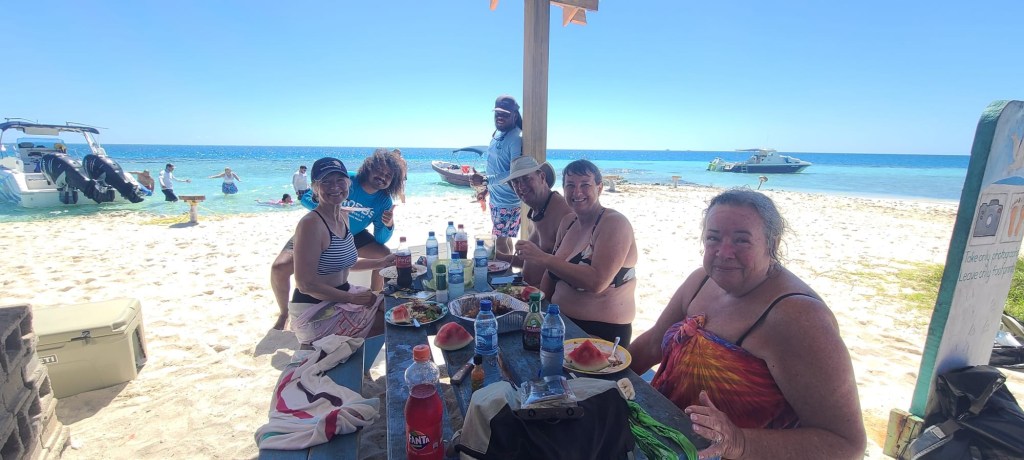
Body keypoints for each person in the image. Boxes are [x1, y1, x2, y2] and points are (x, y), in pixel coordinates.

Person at [627, 189, 866, 460]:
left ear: (771, 243)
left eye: (741, 240)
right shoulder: (700, 281)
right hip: (659, 439)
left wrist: (738, 442)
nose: (723, 252)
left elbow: (847, 445)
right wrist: (604, 375)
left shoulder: (798, 317)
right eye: (713, 238)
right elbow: (652, 344)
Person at [270, 149, 406, 329]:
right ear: (368, 168)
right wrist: (328, 209)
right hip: (322, 230)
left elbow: (379, 240)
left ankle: (374, 294)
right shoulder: (313, 221)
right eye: (379, 171)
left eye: (388, 175)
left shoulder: (377, 203)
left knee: (384, 258)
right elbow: (305, 285)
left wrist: (388, 225)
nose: (382, 177)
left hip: (348, 232)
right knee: (280, 267)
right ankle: (284, 314)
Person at [515, 159, 637, 346]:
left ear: (599, 188)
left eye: (585, 185)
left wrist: (543, 258)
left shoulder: (614, 223)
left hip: (600, 332)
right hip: (557, 321)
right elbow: (552, 273)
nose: (577, 192)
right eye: (570, 185)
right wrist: (537, 310)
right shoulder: (569, 222)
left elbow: (597, 282)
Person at [497, 156, 572, 287]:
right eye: (515, 182)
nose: (521, 187)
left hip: (544, 297)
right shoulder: (537, 211)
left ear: (542, 177)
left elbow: (569, 270)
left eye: (526, 178)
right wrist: (498, 257)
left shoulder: (565, 214)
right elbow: (534, 262)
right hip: (525, 290)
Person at [470, 95, 523, 256]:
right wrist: (486, 190)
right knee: (505, 239)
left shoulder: (516, 138)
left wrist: (486, 180)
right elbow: (496, 167)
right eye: (497, 113)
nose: (500, 117)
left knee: (499, 242)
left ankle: (504, 270)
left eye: (505, 114)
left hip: (508, 202)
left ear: (515, 115)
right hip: (496, 200)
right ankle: (508, 268)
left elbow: (516, 171)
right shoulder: (497, 134)